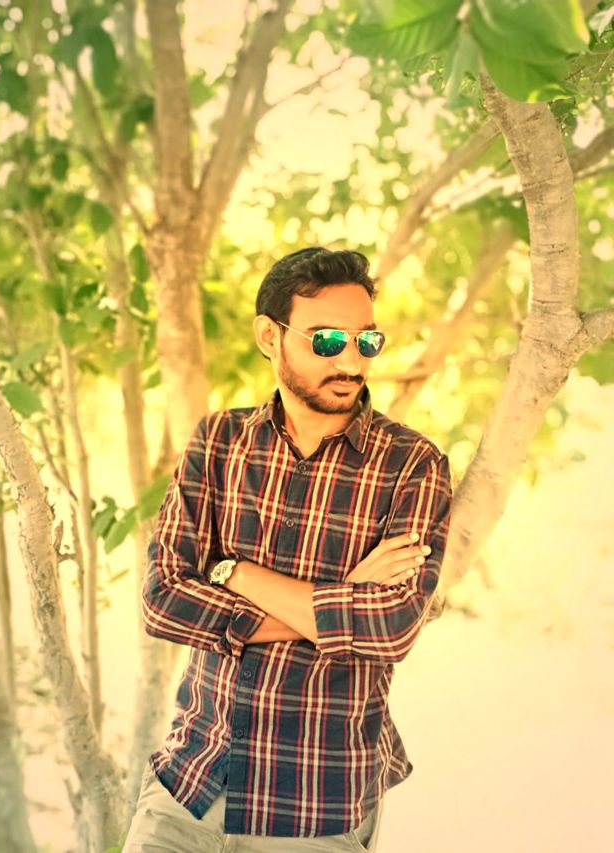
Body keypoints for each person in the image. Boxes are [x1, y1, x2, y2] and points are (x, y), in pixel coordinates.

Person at [123, 247, 452, 852]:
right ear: (269, 336)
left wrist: (232, 572)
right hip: (188, 782)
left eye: (367, 341)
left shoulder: (412, 465)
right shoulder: (218, 443)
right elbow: (162, 601)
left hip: (315, 807)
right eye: (327, 341)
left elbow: (392, 627)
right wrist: (343, 598)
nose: (351, 361)